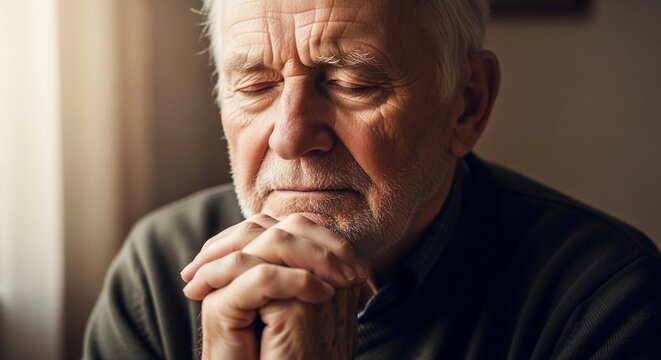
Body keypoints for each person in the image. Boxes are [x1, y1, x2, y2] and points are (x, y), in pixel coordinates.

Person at [83, 0, 661, 358]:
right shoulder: (160, 276)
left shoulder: (604, 301)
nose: (288, 135)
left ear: (467, 105)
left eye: (353, 82)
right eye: (256, 85)